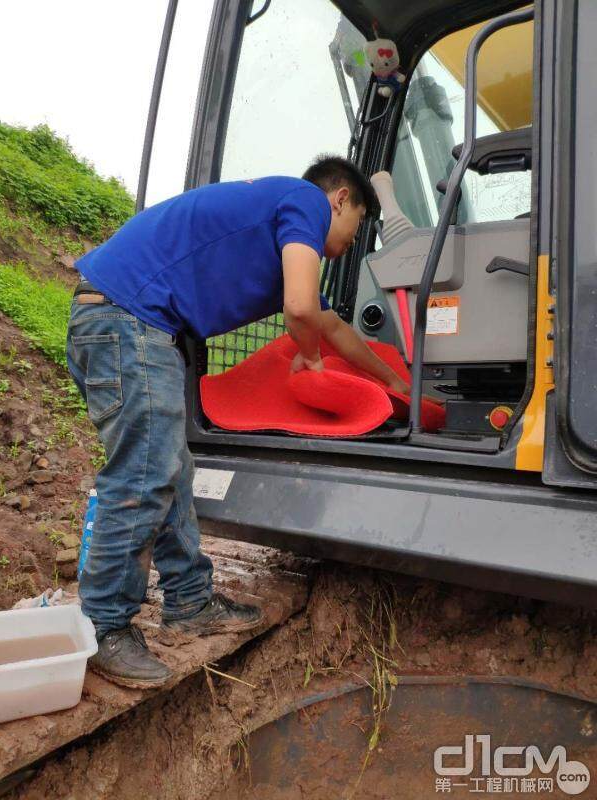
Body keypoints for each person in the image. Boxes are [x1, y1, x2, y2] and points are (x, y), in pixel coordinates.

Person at [66, 154, 410, 689]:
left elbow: (332, 326)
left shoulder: (279, 228)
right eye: (358, 221)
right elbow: (300, 310)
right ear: (340, 198)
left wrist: (394, 382)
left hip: (125, 323)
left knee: (171, 468)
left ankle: (189, 601)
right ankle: (103, 627)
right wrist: (310, 358)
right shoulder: (303, 202)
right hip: (125, 322)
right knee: (143, 475)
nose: (352, 236)